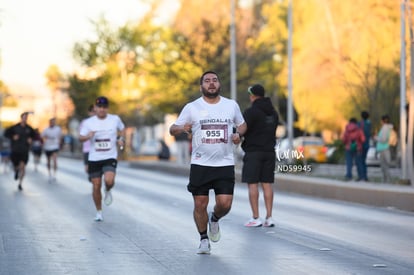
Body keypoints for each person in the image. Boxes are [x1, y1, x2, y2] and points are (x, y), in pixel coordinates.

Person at [169, 71, 247, 254]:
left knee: (225, 204)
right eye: (207, 81)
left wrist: (238, 134)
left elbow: (242, 124)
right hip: (200, 164)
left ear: (219, 84)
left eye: (214, 80)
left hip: (225, 163)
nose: (211, 83)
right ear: (201, 86)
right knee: (199, 204)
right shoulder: (192, 107)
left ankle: (215, 218)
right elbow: (172, 129)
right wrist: (182, 128)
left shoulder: (231, 105)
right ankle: (203, 239)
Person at [79, 96, 126, 222]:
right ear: (95, 108)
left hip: (110, 156)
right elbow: (80, 137)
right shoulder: (89, 122)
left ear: (107, 108)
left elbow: (122, 129)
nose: (102, 109)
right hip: (94, 158)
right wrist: (88, 136)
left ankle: (108, 189)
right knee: (96, 185)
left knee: (109, 181)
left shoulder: (114, 119)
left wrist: (121, 139)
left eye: (104, 107)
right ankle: (99, 212)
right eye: (99, 107)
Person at [241, 84, 279, 228]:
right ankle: (269, 217)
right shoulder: (273, 113)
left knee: (253, 184)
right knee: (267, 183)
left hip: (253, 152)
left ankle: (255, 217)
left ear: (253, 96)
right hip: (269, 151)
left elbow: (243, 129)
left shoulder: (251, 112)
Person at [4, 112, 36, 191]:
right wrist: (13, 137)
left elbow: (35, 136)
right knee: (16, 166)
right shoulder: (15, 127)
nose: (25, 119)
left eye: (26, 118)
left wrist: (31, 140)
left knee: (23, 167)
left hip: (24, 150)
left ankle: (20, 184)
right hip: (15, 150)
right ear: (21, 118)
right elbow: (6, 133)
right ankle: (16, 171)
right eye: (24, 117)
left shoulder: (29, 128)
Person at [41, 118, 62, 182]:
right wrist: (45, 139)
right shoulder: (46, 129)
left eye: (54, 122)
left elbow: (60, 136)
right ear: (49, 123)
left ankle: (54, 175)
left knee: (55, 160)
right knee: (48, 161)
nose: (53, 123)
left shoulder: (58, 129)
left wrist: (59, 143)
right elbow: (42, 136)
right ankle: (49, 174)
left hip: (55, 146)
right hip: (47, 147)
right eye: (51, 122)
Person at [374, 115, 393, 182]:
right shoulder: (388, 128)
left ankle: (387, 179)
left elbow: (383, 139)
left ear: (382, 121)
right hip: (385, 147)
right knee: (385, 165)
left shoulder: (385, 128)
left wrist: (376, 138)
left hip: (383, 148)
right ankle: (386, 179)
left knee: (384, 165)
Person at [80, 104, 96, 180]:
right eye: (93, 112)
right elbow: (80, 136)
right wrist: (88, 136)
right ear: (89, 113)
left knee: (97, 170)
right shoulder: (85, 122)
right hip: (87, 149)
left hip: (98, 150)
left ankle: (96, 181)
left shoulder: (102, 122)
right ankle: (92, 176)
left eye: (96, 112)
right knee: (87, 169)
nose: (95, 113)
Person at [358, 111, 371, 181]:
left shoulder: (360, 123)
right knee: (364, 160)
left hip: (361, 144)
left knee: (360, 160)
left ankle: (361, 176)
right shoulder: (369, 123)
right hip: (367, 144)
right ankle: (365, 176)